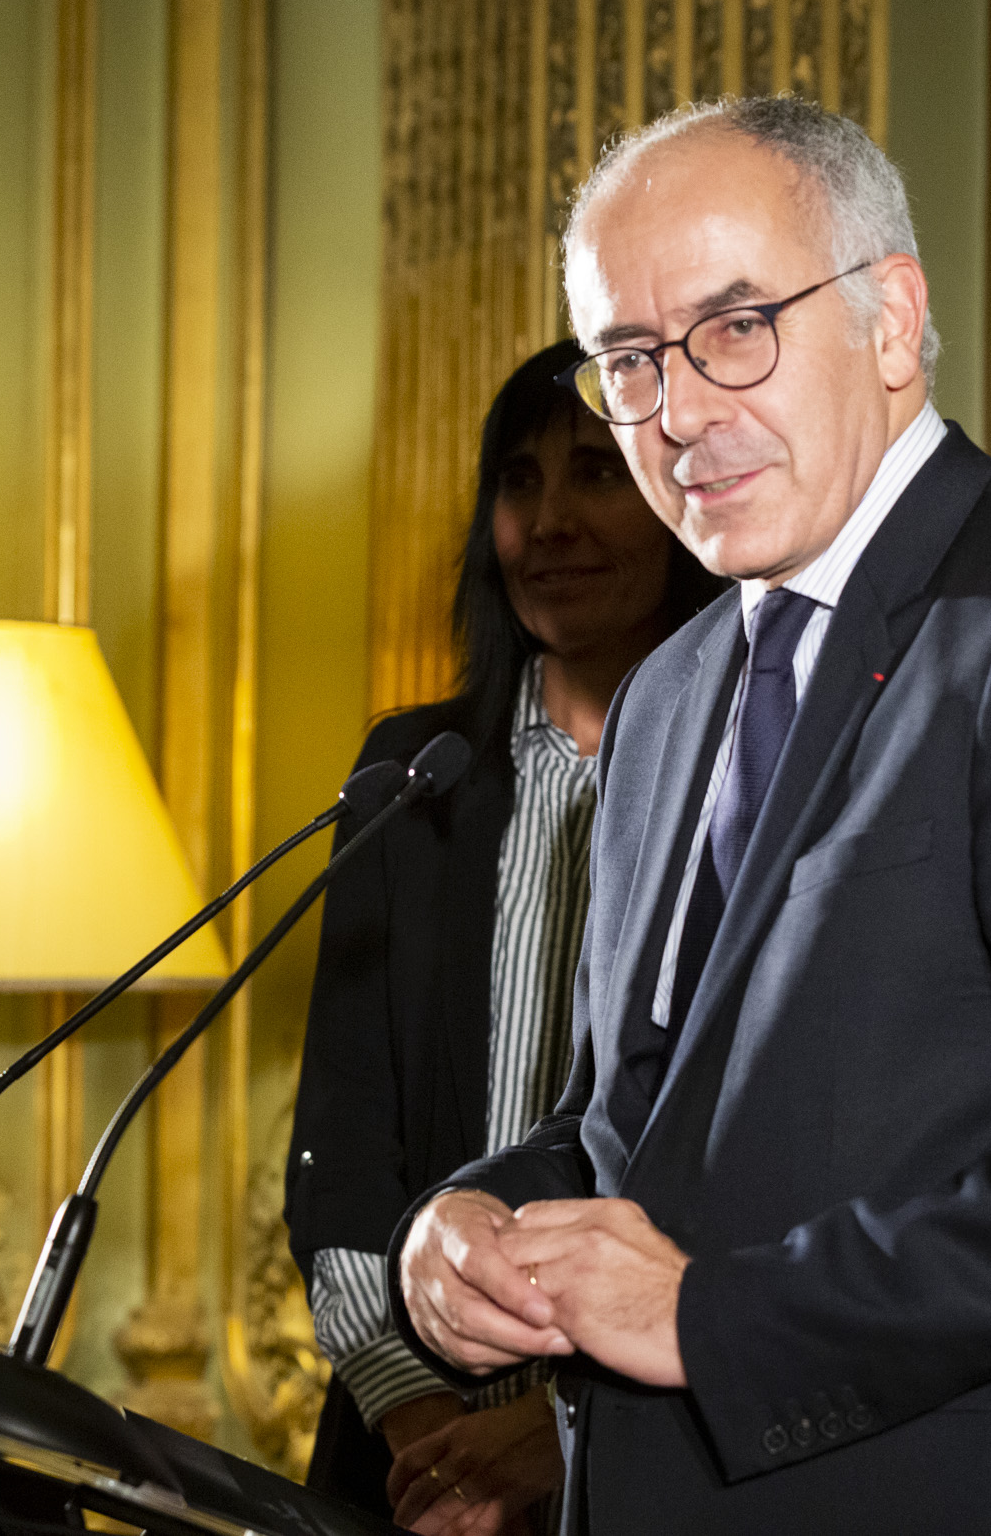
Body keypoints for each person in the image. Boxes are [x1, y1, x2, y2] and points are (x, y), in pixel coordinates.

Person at [389, 95, 991, 1534]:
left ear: (892, 321)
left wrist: (710, 1319)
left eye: (736, 327)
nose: (679, 412)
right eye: (629, 359)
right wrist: (472, 1217)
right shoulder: (668, 687)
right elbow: (638, 1120)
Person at [285, 339, 720, 1533]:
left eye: (595, 473)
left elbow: (749, 1172)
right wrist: (429, 1433)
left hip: (659, 1450)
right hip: (407, 1467)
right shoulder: (409, 773)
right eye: (518, 482)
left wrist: (559, 1429)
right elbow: (341, 1148)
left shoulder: (758, 777)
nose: (549, 522)